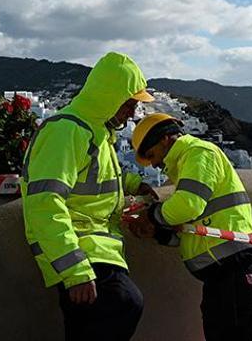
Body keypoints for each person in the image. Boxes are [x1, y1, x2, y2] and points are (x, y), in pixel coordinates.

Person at [21, 51, 154, 341]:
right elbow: (44, 202)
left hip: (94, 251)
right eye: (129, 104)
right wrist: (75, 270)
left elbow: (98, 176)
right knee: (125, 302)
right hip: (81, 252)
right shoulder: (67, 130)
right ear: (109, 96)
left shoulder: (96, 132)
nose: (132, 112)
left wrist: (134, 185)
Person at [127, 113, 252, 341]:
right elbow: (192, 231)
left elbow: (188, 205)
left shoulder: (198, 153)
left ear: (165, 139)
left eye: (151, 155)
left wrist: (151, 216)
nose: (153, 164)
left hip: (233, 270)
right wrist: (160, 234)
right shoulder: (184, 167)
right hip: (221, 275)